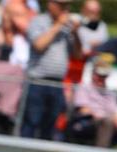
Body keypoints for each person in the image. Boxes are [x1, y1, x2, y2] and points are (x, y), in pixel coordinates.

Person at [20, 0, 81, 140]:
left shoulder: (67, 27)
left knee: (49, 127)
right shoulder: (38, 21)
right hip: (37, 82)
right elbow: (39, 45)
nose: (65, 9)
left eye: (67, 6)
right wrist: (58, 25)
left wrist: (76, 33)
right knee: (31, 123)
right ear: (51, 4)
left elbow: (78, 55)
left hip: (57, 84)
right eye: (62, 5)